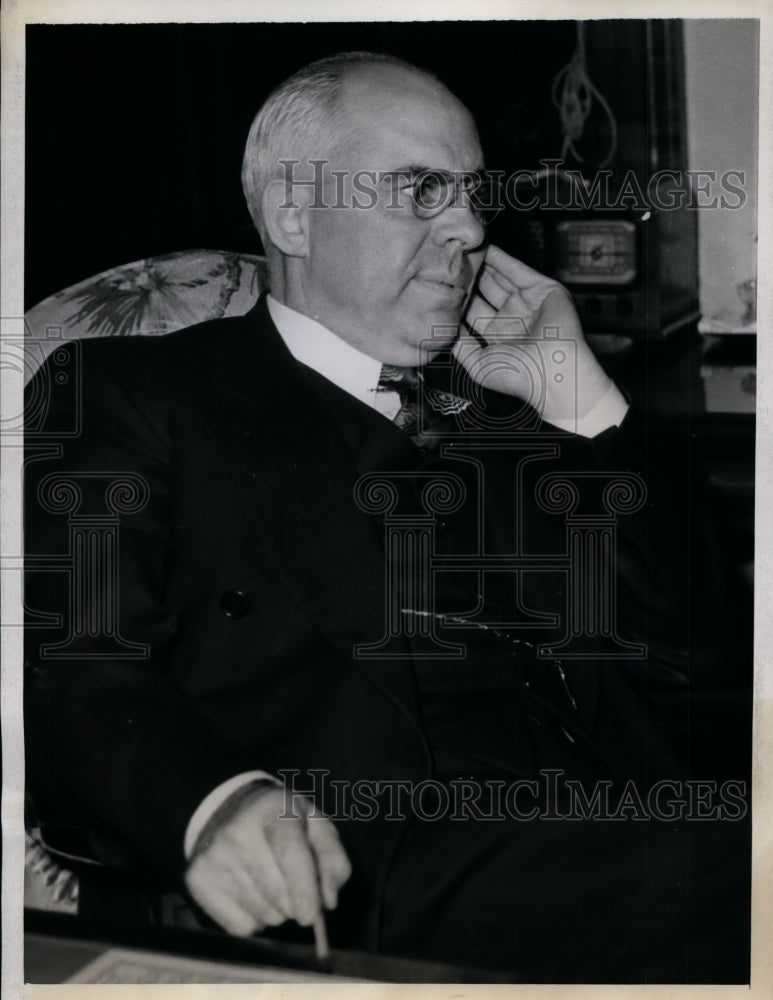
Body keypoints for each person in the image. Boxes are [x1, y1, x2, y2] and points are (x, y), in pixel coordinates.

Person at [24, 52, 749, 981]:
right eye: (421, 190)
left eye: (473, 196)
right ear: (293, 211)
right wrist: (210, 804)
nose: (471, 229)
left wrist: (585, 400)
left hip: (627, 843)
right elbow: (68, 662)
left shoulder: (507, 408)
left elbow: (704, 657)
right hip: (365, 869)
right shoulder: (135, 394)